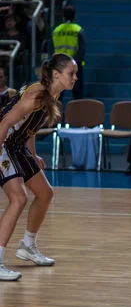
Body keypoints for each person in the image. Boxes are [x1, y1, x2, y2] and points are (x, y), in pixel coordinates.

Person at [0, 53, 77, 281]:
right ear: (56, 74)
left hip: (16, 145)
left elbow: (28, 128)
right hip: (2, 142)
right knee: (18, 199)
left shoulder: (53, 95)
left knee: (45, 193)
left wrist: (33, 155)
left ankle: (27, 246)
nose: (75, 78)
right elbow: (4, 122)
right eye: (71, 74)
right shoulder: (36, 95)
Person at [51, 5, 85, 100]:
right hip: (75, 66)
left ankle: (55, 115)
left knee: (57, 96)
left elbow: (51, 48)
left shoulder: (56, 31)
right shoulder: (78, 30)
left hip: (59, 66)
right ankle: (78, 114)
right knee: (77, 95)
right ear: (74, 16)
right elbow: (82, 50)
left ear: (63, 16)